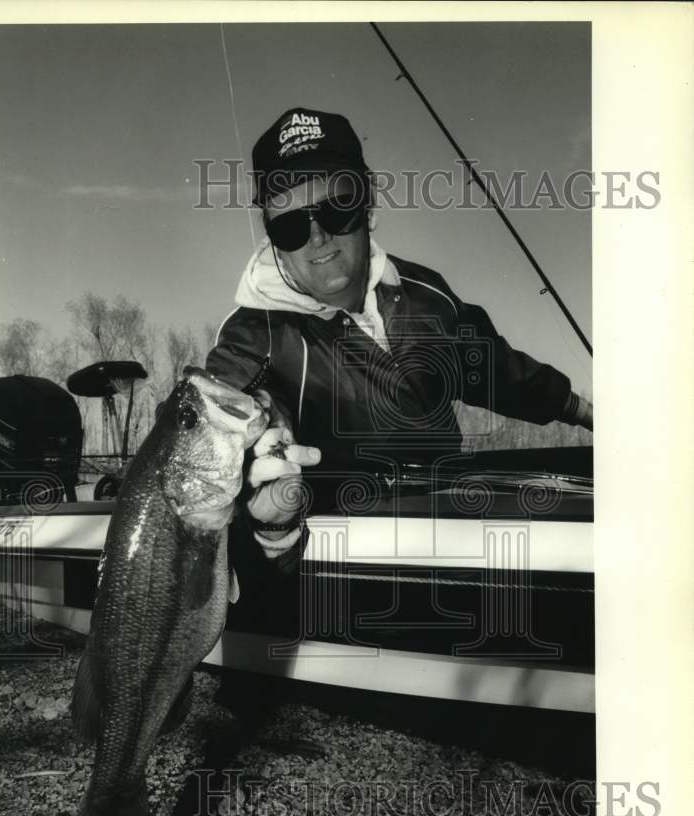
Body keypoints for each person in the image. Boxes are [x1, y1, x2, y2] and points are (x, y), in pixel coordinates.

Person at [206, 107, 593, 569]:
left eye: (337, 206)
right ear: (271, 236)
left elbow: (498, 370)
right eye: (289, 224)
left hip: (452, 532)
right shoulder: (249, 340)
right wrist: (269, 525)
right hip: (341, 563)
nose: (317, 236)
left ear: (368, 204)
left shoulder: (425, 294)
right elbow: (216, 455)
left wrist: (591, 414)